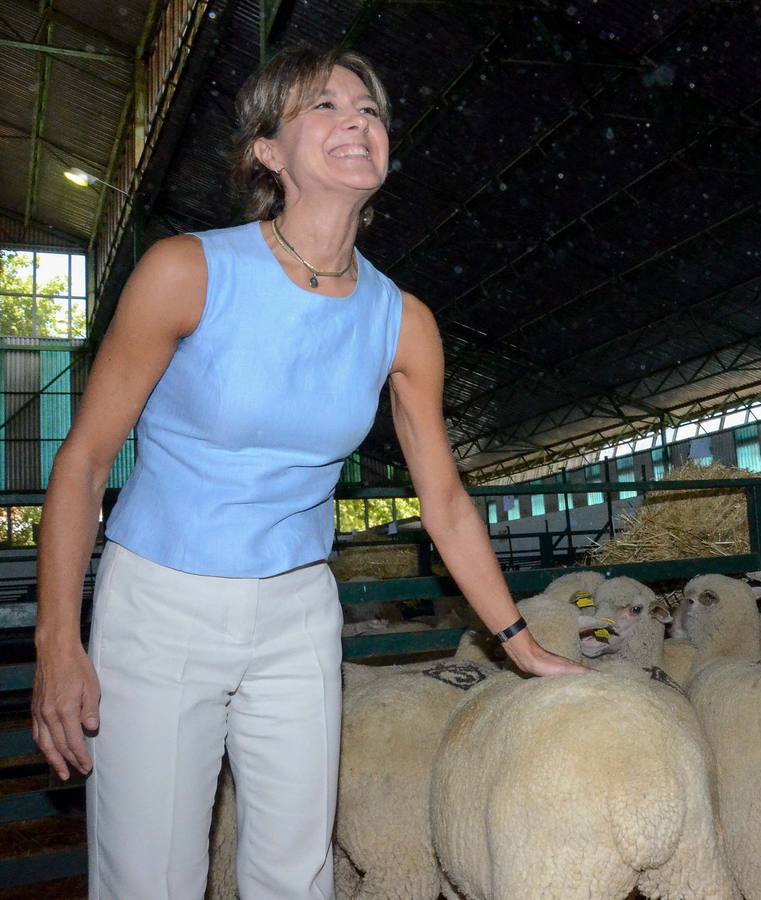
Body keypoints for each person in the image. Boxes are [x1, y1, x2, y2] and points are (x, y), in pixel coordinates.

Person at [30, 46, 587, 898]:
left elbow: (444, 501)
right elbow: (84, 461)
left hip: (296, 612)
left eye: (369, 110)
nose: (356, 121)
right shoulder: (187, 270)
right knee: (150, 877)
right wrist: (56, 642)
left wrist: (522, 645)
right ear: (268, 152)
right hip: (161, 605)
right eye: (324, 107)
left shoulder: (402, 321)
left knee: (298, 872)